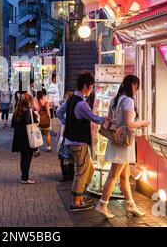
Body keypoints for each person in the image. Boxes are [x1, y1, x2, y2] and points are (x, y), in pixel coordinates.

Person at [95, 75, 151, 219]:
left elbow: (110, 119)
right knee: (114, 176)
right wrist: (144, 123)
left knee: (125, 176)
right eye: (137, 86)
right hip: (123, 144)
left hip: (116, 140)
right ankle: (102, 205)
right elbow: (129, 124)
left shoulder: (115, 100)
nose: (137, 90)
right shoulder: (128, 101)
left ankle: (130, 205)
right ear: (133, 85)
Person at [57, 71, 105, 211]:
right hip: (79, 143)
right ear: (85, 86)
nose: (91, 90)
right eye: (91, 87)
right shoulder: (82, 104)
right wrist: (108, 120)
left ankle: (80, 196)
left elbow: (59, 113)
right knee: (81, 172)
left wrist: (68, 123)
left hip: (72, 141)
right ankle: (76, 202)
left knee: (89, 169)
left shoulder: (71, 99)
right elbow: (95, 118)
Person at [11, 93, 38, 184]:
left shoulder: (17, 111)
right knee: (27, 158)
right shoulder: (29, 112)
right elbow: (36, 122)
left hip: (19, 137)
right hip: (28, 138)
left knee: (23, 157)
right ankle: (24, 178)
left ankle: (24, 175)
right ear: (28, 102)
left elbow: (13, 124)